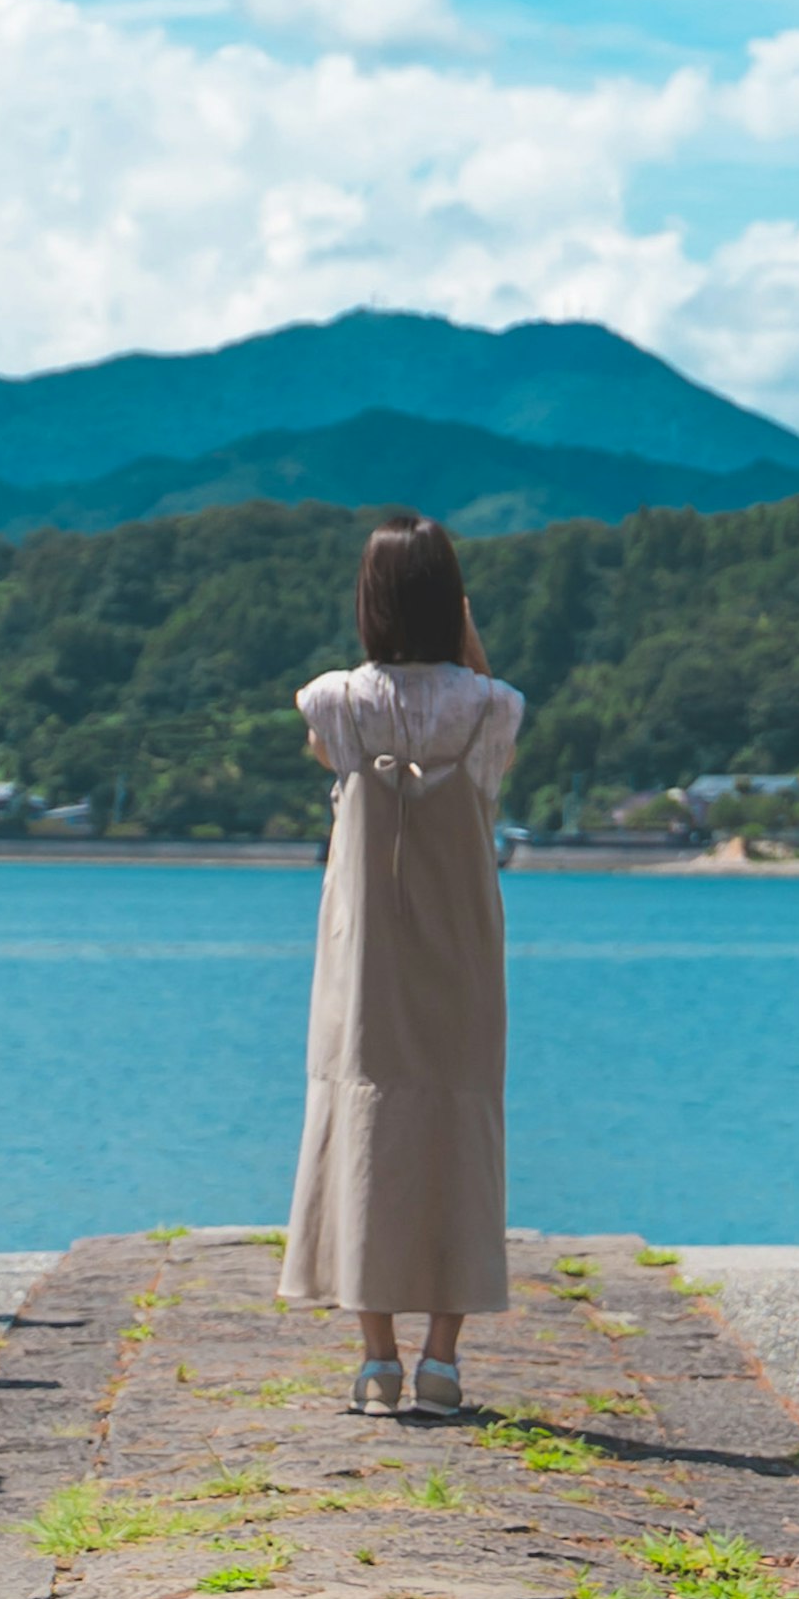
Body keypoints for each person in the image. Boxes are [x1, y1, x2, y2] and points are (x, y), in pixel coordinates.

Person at [280, 514, 522, 1413]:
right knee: (462, 1119)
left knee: (364, 1113)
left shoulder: (333, 702)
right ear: (451, 599)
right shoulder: (494, 707)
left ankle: (376, 1358)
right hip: (462, 949)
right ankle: (444, 1360)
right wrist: (466, 637)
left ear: (370, 599)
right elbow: (490, 740)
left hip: (365, 952)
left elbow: (328, 757)